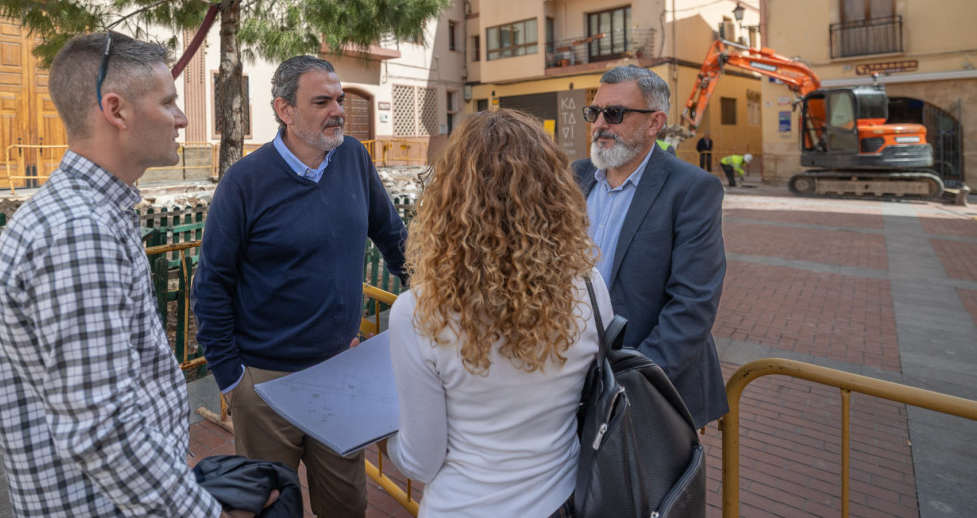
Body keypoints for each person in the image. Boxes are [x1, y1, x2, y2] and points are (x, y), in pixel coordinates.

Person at [0, 32, 238, 517]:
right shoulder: (79, 233)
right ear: (116, 111)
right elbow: (105, 432)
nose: (182, 119)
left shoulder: (89, 216)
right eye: (168, 102)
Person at [194, 55, 406, 518]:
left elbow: (393, 236)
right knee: (272, 507)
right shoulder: (245, 181)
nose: (338, 110)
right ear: (284, 110)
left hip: (342, 372)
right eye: (321, 101)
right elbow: (211, 284)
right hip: (266, 384)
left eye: (339, 99)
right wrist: (234, 380)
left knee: (347, 505)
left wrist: (431, 296)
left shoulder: (353, 157)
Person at [384, 110, 611, 517]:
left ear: (449, 196)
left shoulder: (418, 312)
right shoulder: (590, 287)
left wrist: (388, 442)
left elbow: (420, 461)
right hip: (562, 499)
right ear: (555, 191)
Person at [572, 65, 728, 429]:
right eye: (594, 113)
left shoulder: (691, 189)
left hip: (649, 392)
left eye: (614, 114)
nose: (599, 125)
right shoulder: (574, 177)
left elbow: (692, 308)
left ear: (654, 123)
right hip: (574, 381)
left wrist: (626, 387)